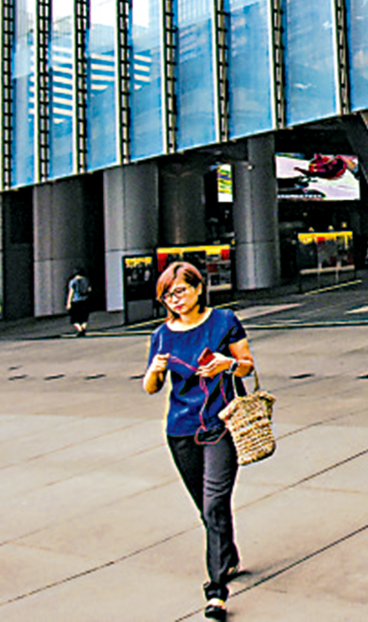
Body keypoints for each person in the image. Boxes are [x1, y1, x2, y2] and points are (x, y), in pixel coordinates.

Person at [143, 261, 256, 622]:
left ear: (198, 287)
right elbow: (151, 387)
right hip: (181, 430)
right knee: (206, 508)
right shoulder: (162, 335)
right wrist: (154, 371)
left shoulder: (224, 321)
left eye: (180, 291)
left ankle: (217, 591)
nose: (175, 300)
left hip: (221, 425)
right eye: (167, 296)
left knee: (215, 504)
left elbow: (248, 364)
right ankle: (228, 556)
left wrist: (227, 364)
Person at [66, 268, 93, 336]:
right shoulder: (86, 280)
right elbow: (89, 289)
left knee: (74, 318)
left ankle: (80, 329)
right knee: (84, 317)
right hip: (85, 300)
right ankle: (83, 328)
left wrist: (68, 302)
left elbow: (71, 292)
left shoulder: (73, 281)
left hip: (76, 301)